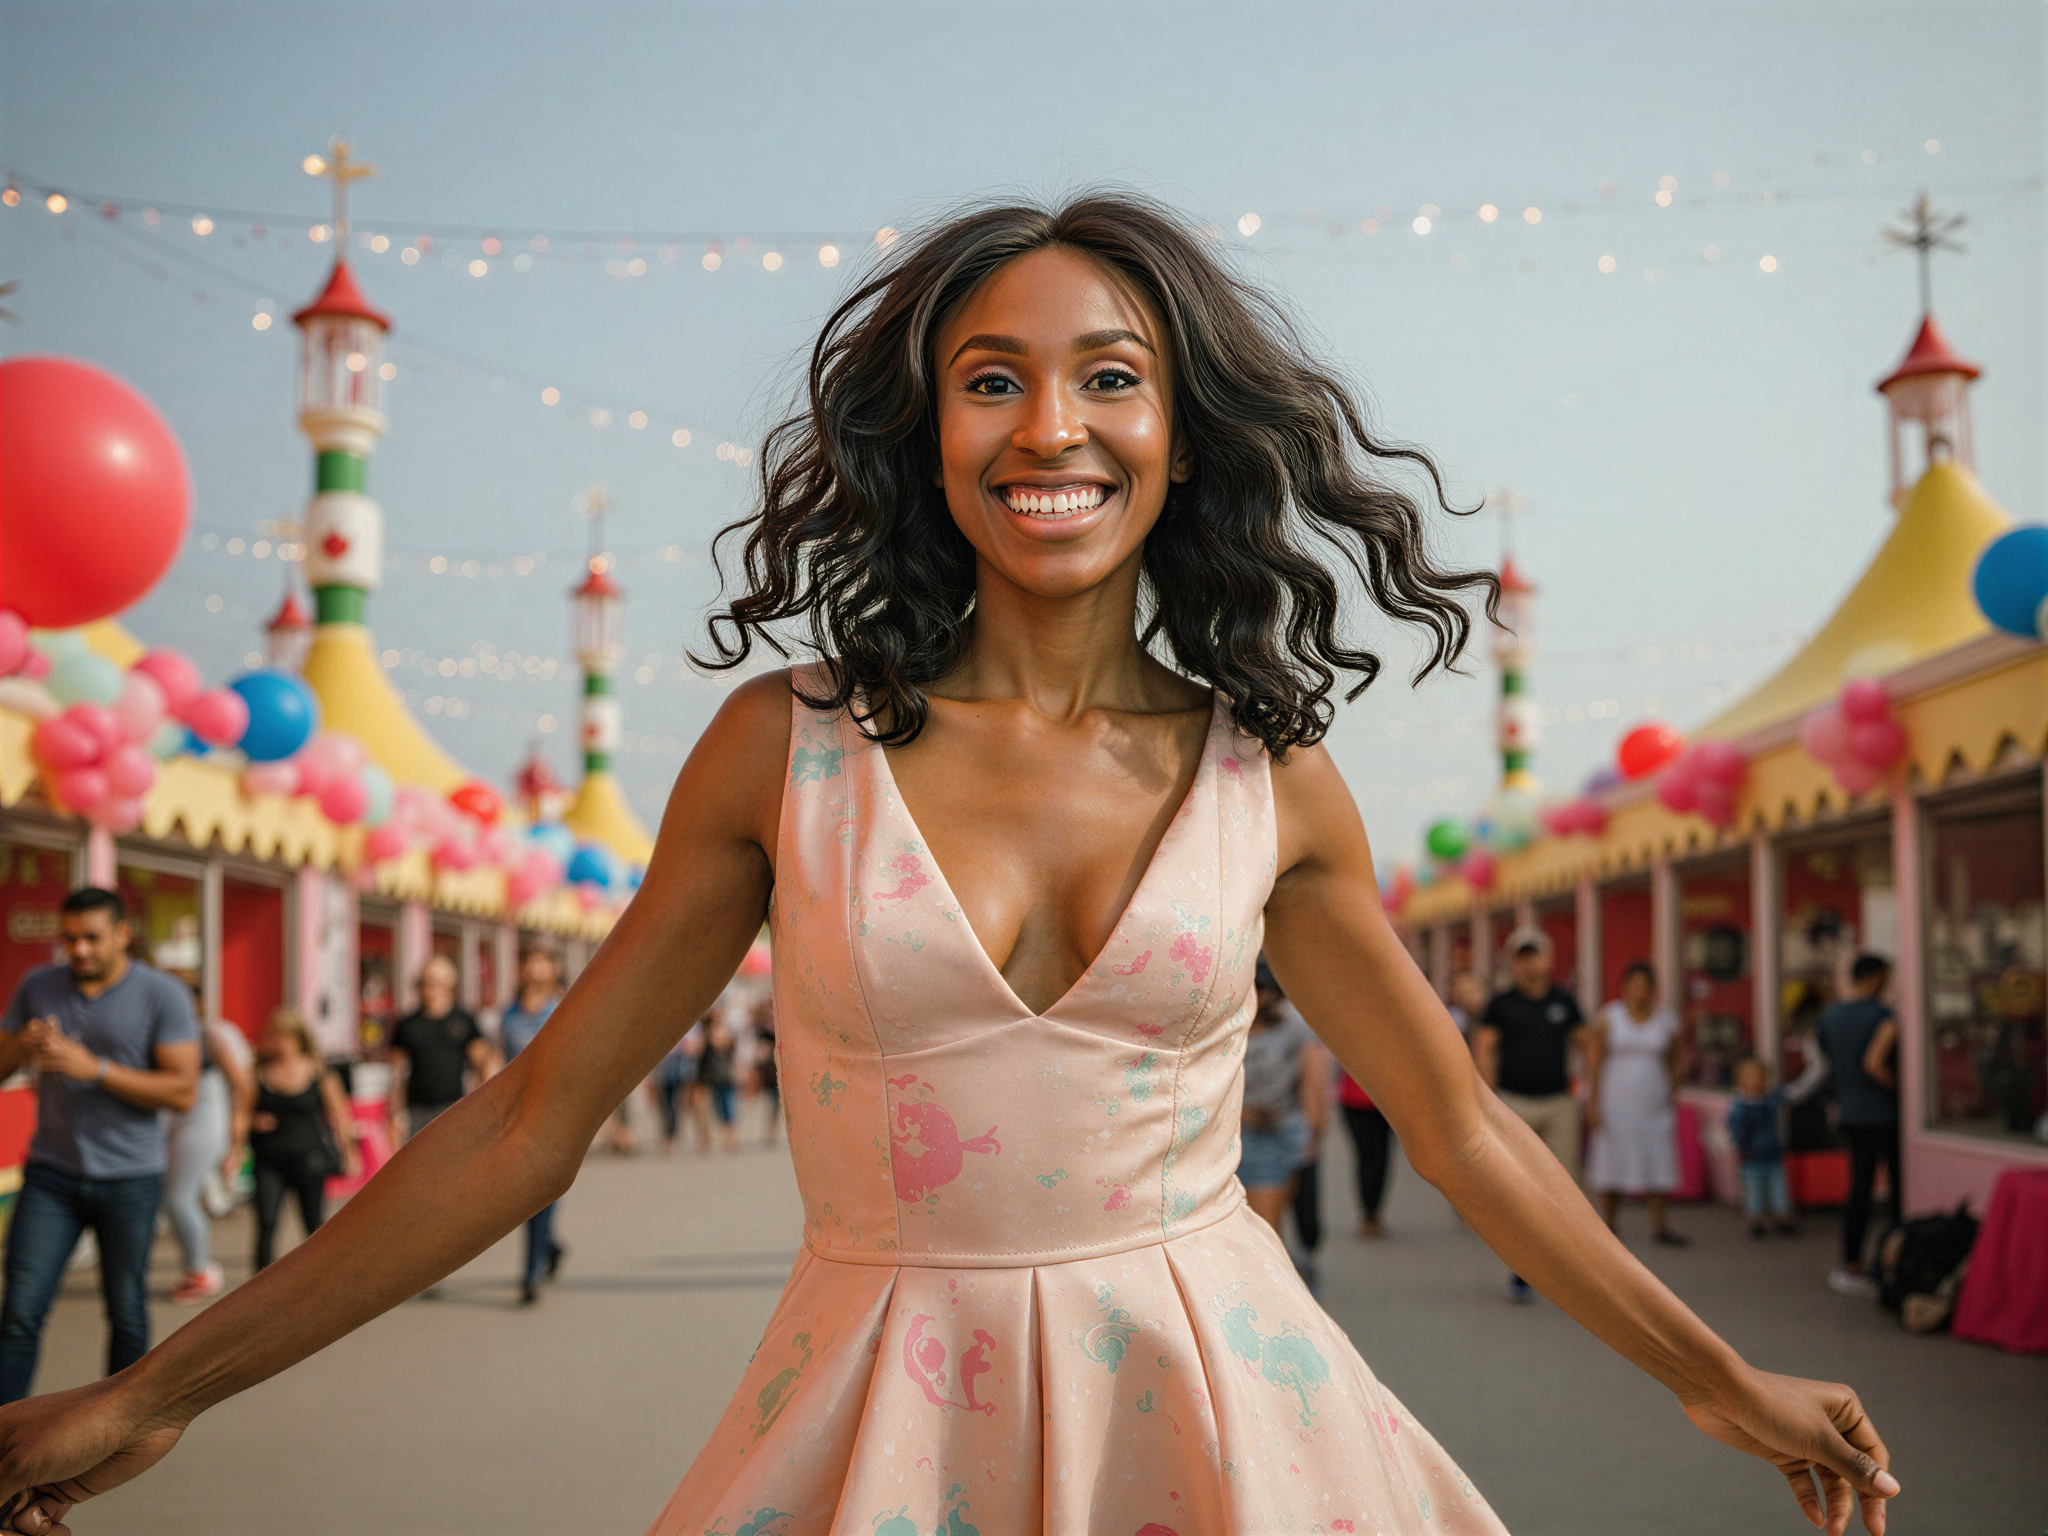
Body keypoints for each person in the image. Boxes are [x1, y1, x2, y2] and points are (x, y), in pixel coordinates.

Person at [0, 193, 1896, 1536]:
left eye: (1108, 378)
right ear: (923, 430)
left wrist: (1716, 1379)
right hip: (881, 1421)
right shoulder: (784, 748)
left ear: (1177, 431)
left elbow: (1464, 1129)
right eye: (991, 379)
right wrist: (153, 1389)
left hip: (1235, 1419)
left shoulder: (1271, 777)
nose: (1050, 426)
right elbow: (524, 1126)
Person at [0, 888, 198, 1403]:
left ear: (122, 935)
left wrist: (96, 1070)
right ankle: (5, 1435)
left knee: (126, 1307)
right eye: (69, 939)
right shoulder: (38, 986)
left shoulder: (163, 993)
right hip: (51, 1173)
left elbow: (182, 1090)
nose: (80, 950)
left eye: (92, 938)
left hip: (131, 1177)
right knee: (20, 1310)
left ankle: (116, 1429)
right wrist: (23, 1045)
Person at [1473, 926, 1587, 1301]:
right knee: (1520, 1187)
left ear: (1549, 959)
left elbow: (1588, 1042)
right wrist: (1490, 1097)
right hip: (1515, 1103)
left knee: (1562, 1186)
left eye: (1535, 955)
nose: (1529, 963)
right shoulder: (1501, 1003)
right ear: (1512, 962)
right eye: (1522, 957)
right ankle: (1524, 1269)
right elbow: (1485, 1046)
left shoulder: (1564, 1002)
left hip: (1558, 1103)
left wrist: (1593, 1089)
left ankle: (1562, 1266)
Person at [1584, 961, 1689, 1247]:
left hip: (1652, 1100)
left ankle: (1661, 1225)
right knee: (1611, 1158)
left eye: (1645, 987)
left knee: (1657, 1158)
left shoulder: (1666, 1020)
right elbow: (1595, 1061)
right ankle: (1608, 1224)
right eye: (1634, 986)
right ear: (1624, 988)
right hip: (1615, 1099)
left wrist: (1671, 1090)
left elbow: (1676, 1058)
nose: (1640, 993)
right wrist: (1593, 1102)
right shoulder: (1610, 1017)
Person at [162, 986, 255, 1304]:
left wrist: (236, 1144)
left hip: (203, 1126)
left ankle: (201, 1269)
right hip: (177, 1126)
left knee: (178, 1198)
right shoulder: (162, 1033)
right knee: (181, 1197)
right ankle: (194, 1267)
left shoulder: (209, 1035)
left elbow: (242, 1086)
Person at [1238, 963, 1328, 1287]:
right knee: (1244, 1229)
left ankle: (1276, 1291)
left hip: (1277, 1134)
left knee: (1266, 1227)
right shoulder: (1226, 1029)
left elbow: (1313, 1082)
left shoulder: (1294, 1030)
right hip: (1231, 1135)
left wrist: (1314, 1130)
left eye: (1263, 991)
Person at [1816, 954, 1900, 1298]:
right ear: (1877, 976)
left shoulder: (1831, 1015)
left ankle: (1851, 1263)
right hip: (1885, 1116)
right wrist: (1903, 1091)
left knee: (1859, 1191)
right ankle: (1893, 1263)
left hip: (1850, 1115)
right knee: (1899, 1194)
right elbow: (1875, 1065)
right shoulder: (1885, 1017)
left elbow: (1827, 1058)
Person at [248, 1009, 358, 1272]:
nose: (276, 1043)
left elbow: (340, 1114)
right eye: (272, 1036)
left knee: (314, 1224)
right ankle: (259, 1286)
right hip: (269, 1160)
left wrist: (349, 1151)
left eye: (282, 1037)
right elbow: (240, 1111)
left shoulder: (317, 1071)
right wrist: (249, 1127)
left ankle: (320, 1276)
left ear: (297, 1039)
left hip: (309, 1159)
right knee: (266, 1221)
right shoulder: (258, 1071)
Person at [498, 949, 567, 1302]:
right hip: (518, 1113)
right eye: (531, 960)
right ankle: (549, 1248)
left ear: (555, 968)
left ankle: (529, 1274)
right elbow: (500, 1059)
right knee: (524, 1196)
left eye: (544, 960)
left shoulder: (566, 1007)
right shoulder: (508, 1013)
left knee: (542, 1189)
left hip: (556, 1113)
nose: (536, 967)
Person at [386, 955, 488, 1144]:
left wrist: (473, 1106)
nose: (430, 988)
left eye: (436, 982)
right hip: (416, 1111)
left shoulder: (464, 1020)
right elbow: (395, 1072)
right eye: (425, 982)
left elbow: (483, 1064)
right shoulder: (407, 1024)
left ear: (451, 985)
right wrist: (395, 1114)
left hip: (453, 1109)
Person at [1727, 1056, 1800, 1239]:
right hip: (1752, 1156)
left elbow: (1795, 1093)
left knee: (1779, 1188)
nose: (1756, 1080)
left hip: (1774, 1154)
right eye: (1750, 1076)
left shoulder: (1771, 1100)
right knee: (1754, 1191)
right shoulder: (1740, 1107)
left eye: (1760, 1076)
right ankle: (1756, 1220)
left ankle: (1782, 1217)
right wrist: (1739, 1148)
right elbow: (1737, 1131)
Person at [1338, 1065, 1394, 1236]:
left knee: (1381, 1155)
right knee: (1367, 1154)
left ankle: (1373, 1211)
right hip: (1355, 1099)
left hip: (1389, 1098)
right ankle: (1368, 1212)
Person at [696, 1014, 740, 1154]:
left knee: (727, 1108)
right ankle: (712, 1139)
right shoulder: (704, 1038)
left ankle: (729, 1138)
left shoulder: (724, 1035)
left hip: (724, 1078)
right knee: (713, 1110)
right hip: (710, 1079)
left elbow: (728, 1049)